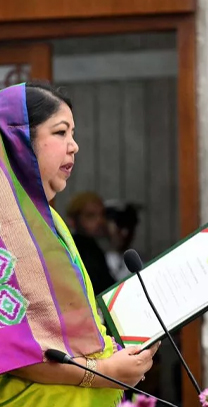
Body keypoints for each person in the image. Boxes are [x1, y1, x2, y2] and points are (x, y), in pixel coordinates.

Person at [0, 82, 158, 406]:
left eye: (73, 133)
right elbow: (13, 349)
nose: (74, 146)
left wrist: (117, 356)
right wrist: (103, 371)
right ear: (20, 142)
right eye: (60, 133)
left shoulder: (50, 221)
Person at [66, 192, 116, 295]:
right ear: (72, 221)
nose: (100, 221)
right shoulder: (75, 249)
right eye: (90, 216)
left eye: (102, 215)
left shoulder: (94, 247)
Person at [104, 201, 141, 282]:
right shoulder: (92, 261)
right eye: (119, 225)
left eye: (130, 227)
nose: (125, 233)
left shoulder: (140, 264)